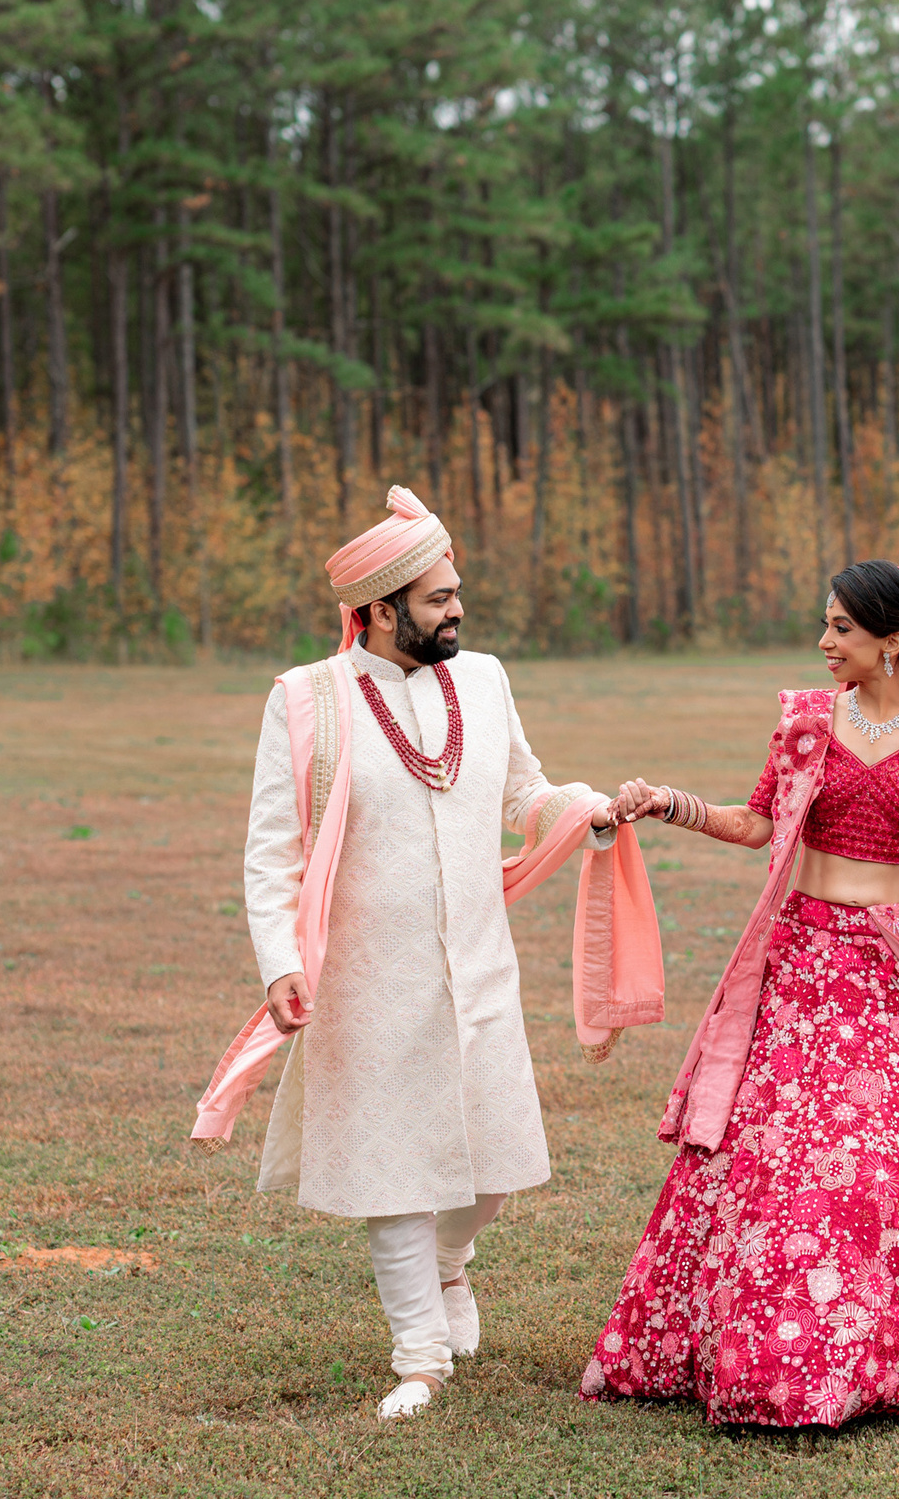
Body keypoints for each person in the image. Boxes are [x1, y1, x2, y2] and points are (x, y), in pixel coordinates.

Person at [190, 486, 662, 1422]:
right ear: (376, 609)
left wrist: (586, 808)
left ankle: (452, 1262)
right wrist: (278, 957)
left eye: (456, 591)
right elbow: (272, 848)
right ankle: (419, 1359)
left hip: (479, 968)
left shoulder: (483, 679)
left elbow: (522, 787)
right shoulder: (306, 701)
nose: (457, 608)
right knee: (394, 1169)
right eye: (439, 596)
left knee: (492, 1171)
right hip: (368, 979)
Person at [579, 559, 899, 1428]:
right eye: (825, 624)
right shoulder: (805, 722)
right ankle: (758, 1354)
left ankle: (867, 1351)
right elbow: (759, 823)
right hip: (802, 970)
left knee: (879, 1167)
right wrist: (668, 803)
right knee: (772, 1164)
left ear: (892, 640)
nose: (824, 642)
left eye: (840, 628)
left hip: (893, 979)